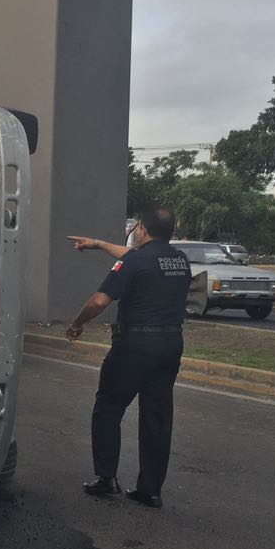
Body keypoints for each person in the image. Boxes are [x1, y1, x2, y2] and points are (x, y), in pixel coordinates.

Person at [64, 208, 191, 509]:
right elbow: (133, 257)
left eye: (136, 228)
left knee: (108, 407)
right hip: (170, 344)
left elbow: (99, 300)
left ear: (144, 230)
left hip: (135, 345)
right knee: (157, 417)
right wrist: (97, 243)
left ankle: (106, 478)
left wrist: (77, 323)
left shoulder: (136, 260)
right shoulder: (178, 260)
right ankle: (150, 490)